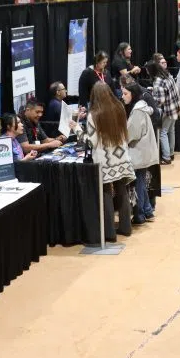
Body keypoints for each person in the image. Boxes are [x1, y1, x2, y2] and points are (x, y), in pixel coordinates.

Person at [70, 82, 136, 241]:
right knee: (122, 190)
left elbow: (90, 141)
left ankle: (109, 233)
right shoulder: (119, 107)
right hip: (122, 157)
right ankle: (126, 227)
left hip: (105, 161)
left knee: (106, 192)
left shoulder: (94, 114)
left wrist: (76, 128)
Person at [122, 81, 158, 225]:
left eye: (125, 94)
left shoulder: (137, 111)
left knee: (138, 182)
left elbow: (131, 134)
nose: (123, 97)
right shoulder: (141, 107)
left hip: (139, 152)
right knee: (141, 181)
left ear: (133, 94)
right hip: (143, 151)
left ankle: (140, 214)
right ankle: (147, 210)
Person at [147, 54, 179, 165]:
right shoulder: (168, 75)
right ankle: (170, 153)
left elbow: (160, 100)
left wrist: (152, 100)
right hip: (174, 106)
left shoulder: (158, 81)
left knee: (163, 133)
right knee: (171, 130)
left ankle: (166, 157)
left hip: (166, 109)